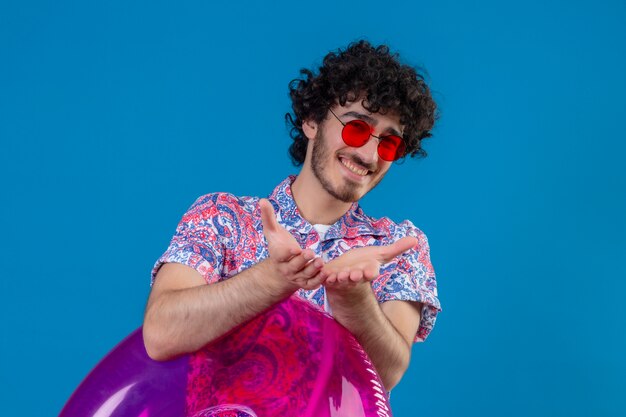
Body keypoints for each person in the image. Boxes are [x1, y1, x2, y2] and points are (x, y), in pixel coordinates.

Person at [143, 40, 442, 392]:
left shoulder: (398, 246)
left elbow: (386, 375)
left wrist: (354, 298)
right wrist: (274, 278)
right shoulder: (221, 217)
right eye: (357, 128)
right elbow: (161, 333)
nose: (370, 155)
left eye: (389, 143)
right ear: (312, 121)